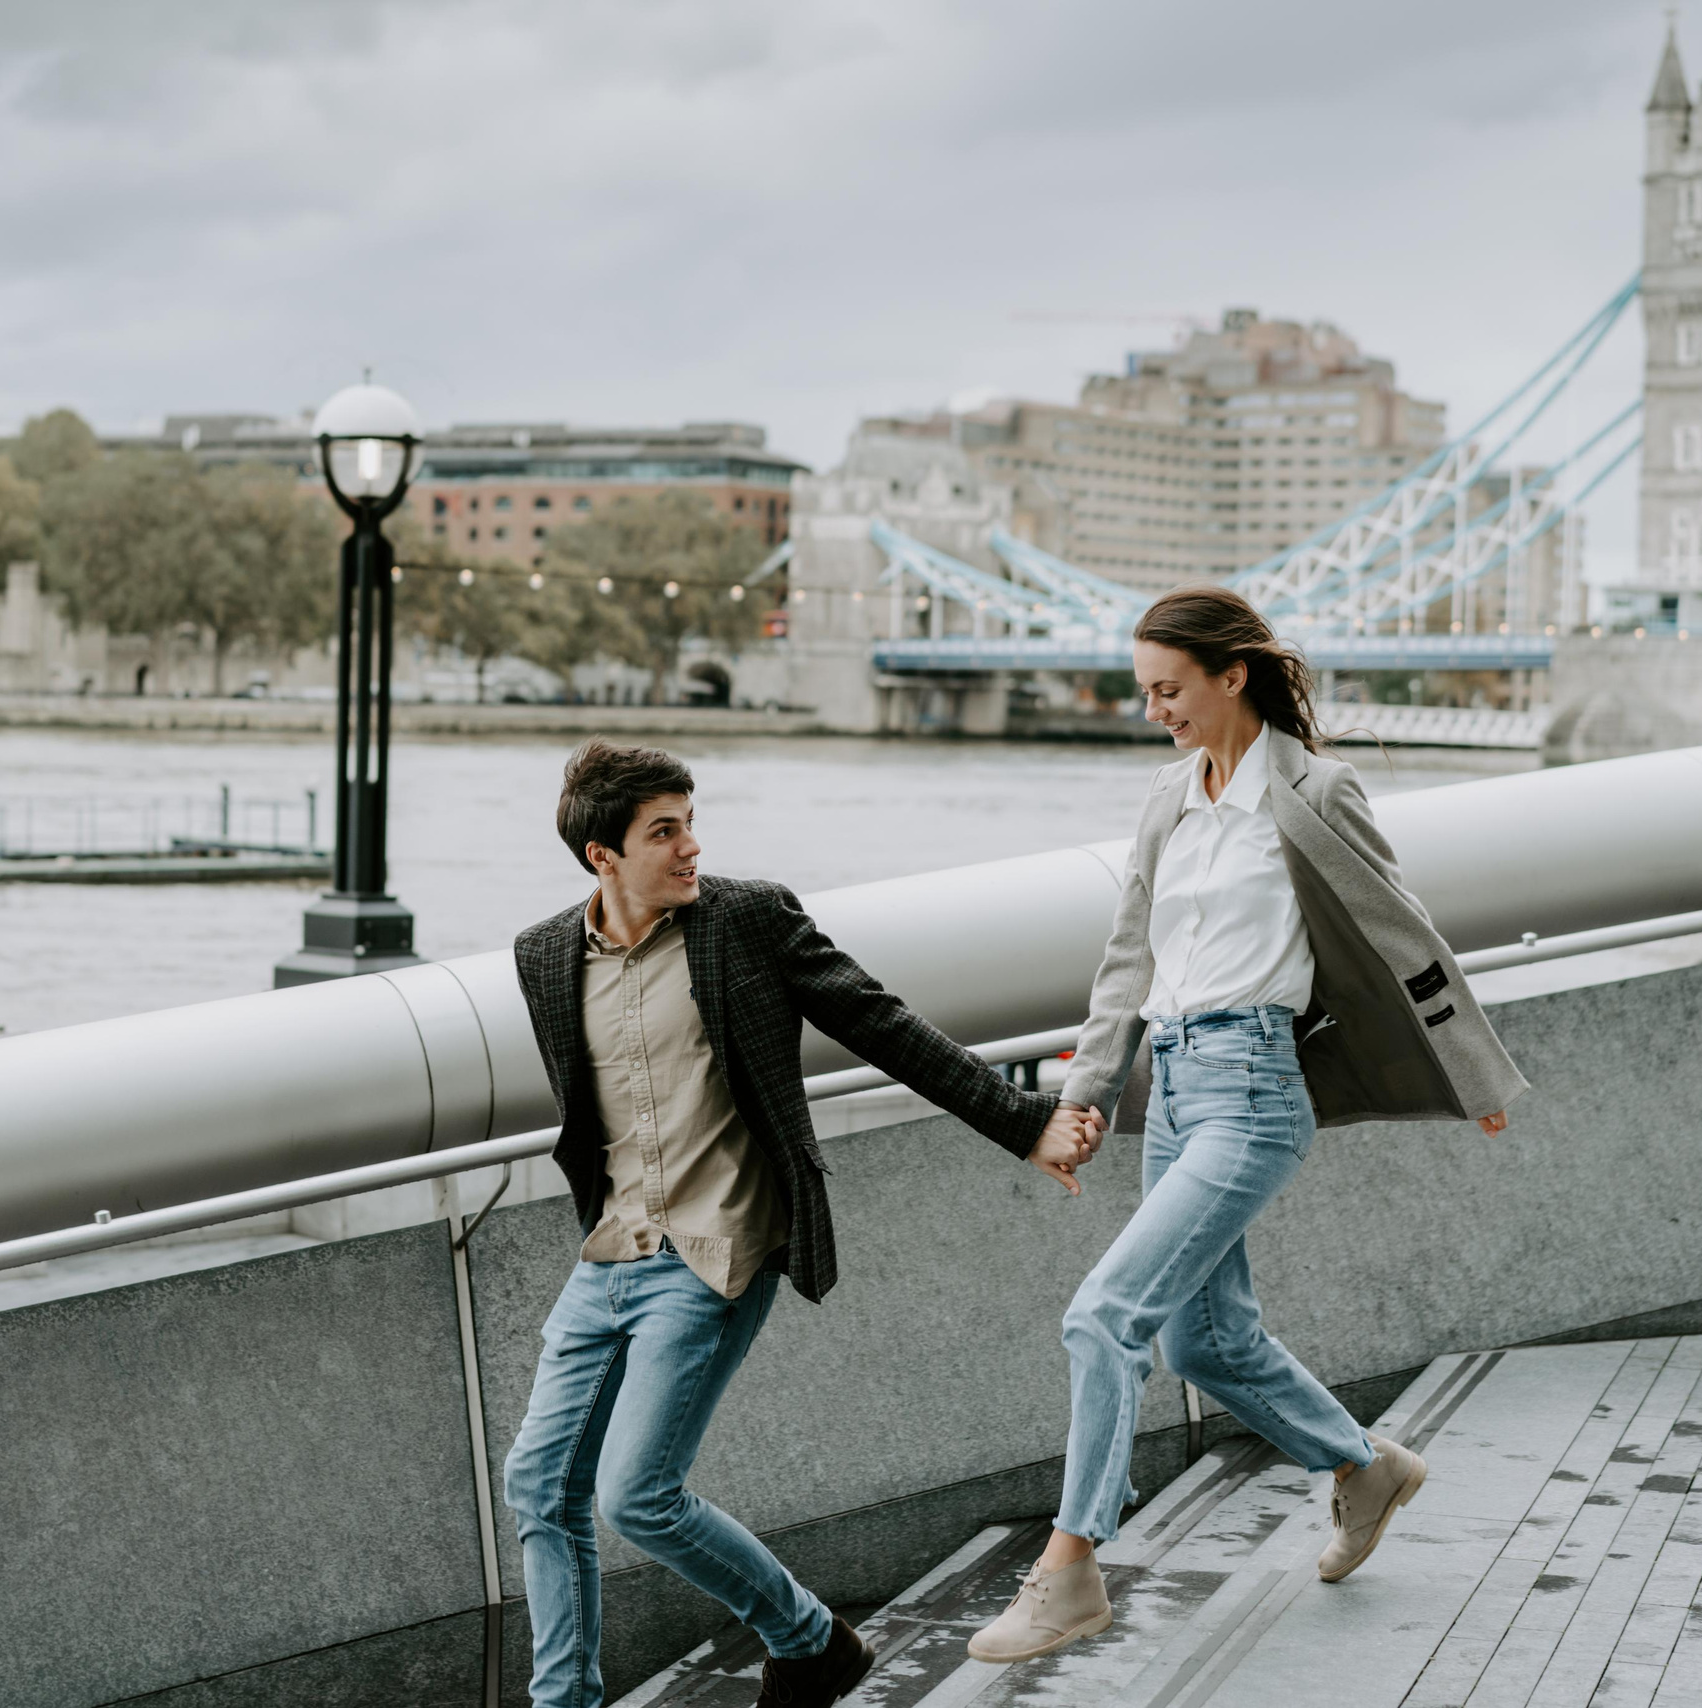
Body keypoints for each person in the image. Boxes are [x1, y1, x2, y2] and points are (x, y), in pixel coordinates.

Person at [969, 586, 1529, 1665]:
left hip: (1255, 1089)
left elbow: (1397, 931)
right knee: (1203, 1337)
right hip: (1173, 1088)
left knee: (1105, 1317)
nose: (1155, 711)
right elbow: (1125, 957)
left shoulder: (1316, 791)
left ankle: (1070, 1569)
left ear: (1232, 676)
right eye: (1145, 693)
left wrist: (1472, 1072)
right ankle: (1363, 1466)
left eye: (1168, 689)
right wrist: (1084, 1093)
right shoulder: (1168, 796)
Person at [505, 738, 1088, 1708]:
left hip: (715, 1250)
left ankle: (808, 1637)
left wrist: (1024, 1122)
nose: (690, 846)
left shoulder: (746, 920)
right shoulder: (545, 956)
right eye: (664, 832)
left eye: (690, 822)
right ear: (602, 856)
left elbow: (878, 1020)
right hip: (610, 1249)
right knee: (539, 1487)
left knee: (636, 1495)